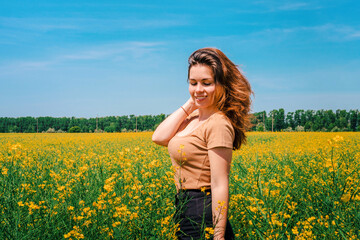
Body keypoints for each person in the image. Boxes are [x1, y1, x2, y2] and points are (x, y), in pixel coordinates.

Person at [152, 48, 253, 240]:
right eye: (193, 83)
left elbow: (219, 183)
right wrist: (192, 102)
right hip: (184, 209)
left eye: (206, 83)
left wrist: (219, 235)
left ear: (222, 84)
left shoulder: (218, 123)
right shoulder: (192, 117)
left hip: (203, 212)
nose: (198, 89)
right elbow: (159, 137)